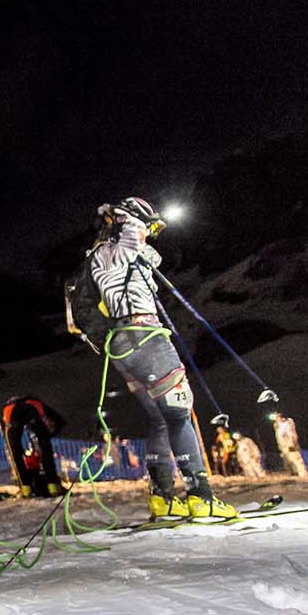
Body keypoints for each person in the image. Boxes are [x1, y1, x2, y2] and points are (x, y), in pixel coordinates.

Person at [88, 197, 239, 519]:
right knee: (180, 416)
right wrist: (127, 217)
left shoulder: (97, 256)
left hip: (121, 345)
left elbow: (148, 258)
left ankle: (163, 496)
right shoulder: (125, 241)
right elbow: (134, 231)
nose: (148, 233)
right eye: (147, 227)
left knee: (159, 419)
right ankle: (201, 497)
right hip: (147, 339)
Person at [0, 396, 67, 498]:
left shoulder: (8, 408)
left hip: (12, 414)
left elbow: (12, 439)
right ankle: (52, 484)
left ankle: (25, 487)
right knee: (46, 449)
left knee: (15, 452)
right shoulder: (37, 403)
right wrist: (48, 435)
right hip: (32, 411)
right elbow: (60, 421)